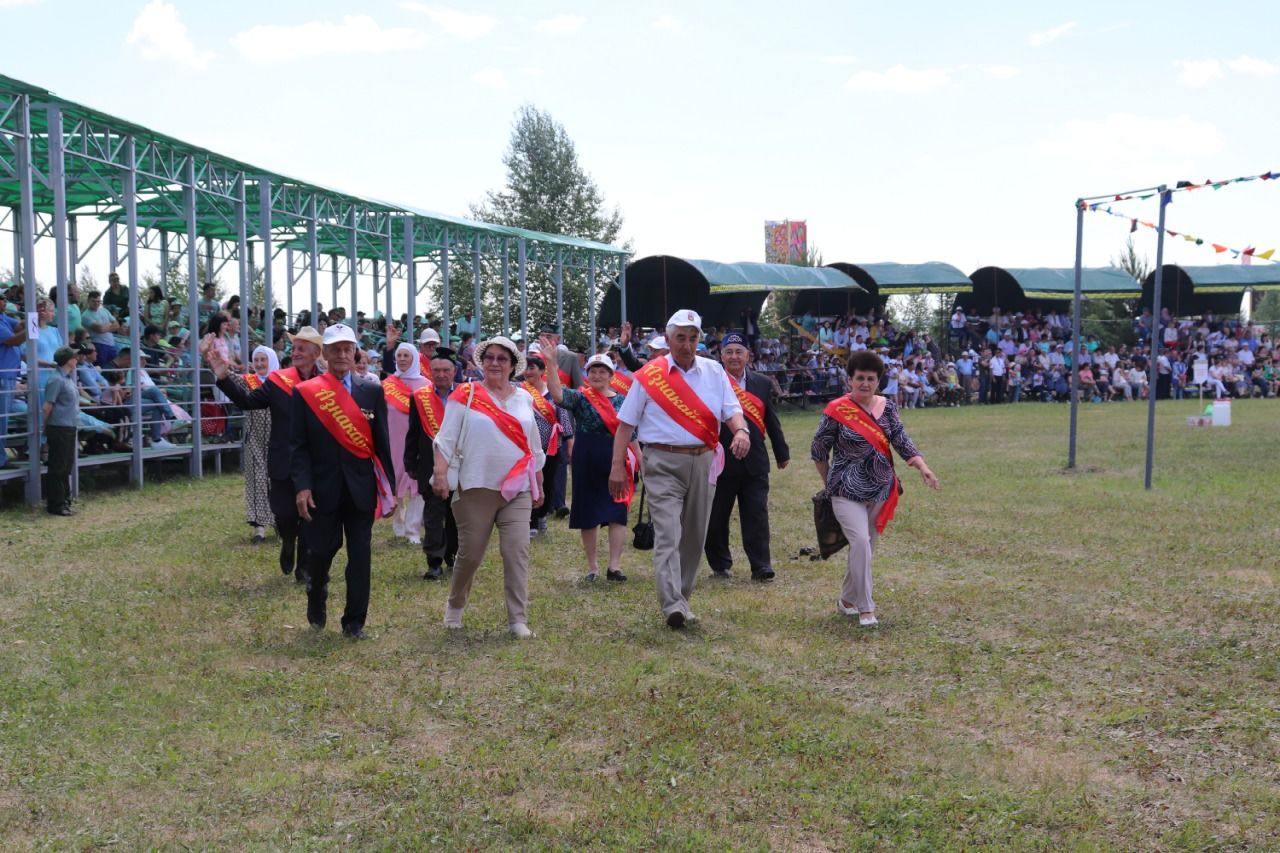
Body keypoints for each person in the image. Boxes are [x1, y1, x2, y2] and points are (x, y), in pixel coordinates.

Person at [611, 310, 751, 629]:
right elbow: (625, 426)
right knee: (668, 533)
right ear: (669, 339)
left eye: (693, 338)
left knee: (694, 535)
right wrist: (617, 465)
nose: (686, 345)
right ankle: (672, 603)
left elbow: (732, 411)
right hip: (661, 462)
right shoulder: (650, 376)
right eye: (680, 338)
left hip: (703, 461)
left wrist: (741, 431)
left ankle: (682, 598)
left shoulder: (714, 372)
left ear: (699, 340)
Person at [811, 350, 939, 627]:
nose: (865, 384)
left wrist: (923, 467)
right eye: (860, 378)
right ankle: (865, 608)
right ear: (850, 380)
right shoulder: (836, 410)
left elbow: (901, 441)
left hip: (881, 489)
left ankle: (846, 600)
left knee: (866, 548)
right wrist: (828, 483)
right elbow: (819, 450)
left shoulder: (888, 408)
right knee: (860, 542)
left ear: (878, 381)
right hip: (845, 491)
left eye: (871, 379)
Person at [431, 336, 545, 638]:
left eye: (502, 359)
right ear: (482, 362)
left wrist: (539, 482)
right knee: (471, 555)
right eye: (490, 357)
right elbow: (445, 439)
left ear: (512, 365)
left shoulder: (524, 398)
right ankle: (455, 606)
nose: (495, 363)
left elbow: (533, 445)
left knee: (516, 551)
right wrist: (440, 474)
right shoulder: (465, 394)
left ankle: (517, 620)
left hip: (517, 488)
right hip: (475, 487)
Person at [291, 323, 395, 640]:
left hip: (361, 488)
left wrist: (390, 489)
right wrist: (303, 486)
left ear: (355, 353)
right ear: (324, 354)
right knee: (321, 552)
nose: (341, 354)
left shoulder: (372, 391)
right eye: (334, 349)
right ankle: (316, 596)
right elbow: (298, 446)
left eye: (346, 349)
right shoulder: (306, 393)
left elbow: (382, 443)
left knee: (360, 557)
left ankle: (354, 623)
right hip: (322, 489)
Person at [210, 326, 324, 580]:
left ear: (316, 353)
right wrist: (224, 377)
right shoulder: (279, 380)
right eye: (293, 348)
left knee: (311, 514)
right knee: (284, 513)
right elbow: (248, 402)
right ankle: (287, 540)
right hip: (283, 459)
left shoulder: (326, 382)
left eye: (301, 349)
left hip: (316, 461)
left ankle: (304, 566)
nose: (295, 353)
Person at [541, 341, 641, 583]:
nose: (597, 375)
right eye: (593, 371)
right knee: (588, 511)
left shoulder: (623, 400)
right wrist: (551, 365)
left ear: (611, 375)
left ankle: (614, 566)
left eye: (602, 371)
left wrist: (640, 461)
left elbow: (631, 434)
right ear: (587, 374)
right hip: (586, 455)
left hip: (615, 456)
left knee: (617, 510)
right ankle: (593, 567)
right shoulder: (580, 397)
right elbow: (557, 394)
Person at [705, 331, 790, 581]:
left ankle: (761, 565)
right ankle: (720, 564)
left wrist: (781, 451)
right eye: (728, 352)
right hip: (720, 461)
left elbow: (771, 421)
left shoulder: (762, 383)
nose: (734, 357)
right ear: (721, 356)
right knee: (717, 516)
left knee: (756, 514)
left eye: (738, 352)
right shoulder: (711, 382)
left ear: (748, 356)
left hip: (755, 460)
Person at [405, 348, 460, 580]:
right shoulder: (420, 397)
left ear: (454, 371)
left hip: (461, 463)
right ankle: (434, 561)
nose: (441, 375)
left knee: (457, 514)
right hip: (430, 463)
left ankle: (453, 554)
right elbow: (413, 432)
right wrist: (410, 461)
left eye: (445, 370)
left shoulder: (466, 395)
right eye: (436, 370)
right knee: (433, 514)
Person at [522, 353, 574, 539]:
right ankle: (531, 521)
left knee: (548, 482)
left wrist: (569, 444)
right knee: (530, 483)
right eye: (526, 368)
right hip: (526, 447)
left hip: (551, 446)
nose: (528, 372)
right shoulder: (521, 391)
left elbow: (564, 420)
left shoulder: (552, 391)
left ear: (542, 371)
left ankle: (543, 514)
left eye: (532, 368)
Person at [383, 342, 431, 544]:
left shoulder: (426, 385)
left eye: (406, 356)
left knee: (417, 486)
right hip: (392, 441)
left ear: (414, 359)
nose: (402, 359)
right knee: (395, 483)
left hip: (416, 442)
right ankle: (399, 524)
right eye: (399, 355)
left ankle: (413, 530)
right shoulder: (387, 384)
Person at [242, 346, 279, 543]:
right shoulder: (247, 382)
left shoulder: (281, 382)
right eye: (256, 360)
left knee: (277, 481)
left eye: (263, 360)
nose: (259, 364)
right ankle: (259, 528)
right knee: (256, 480)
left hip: (277, 438)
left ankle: (281, 523)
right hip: (254, 439)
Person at [42, 347, 81, 516]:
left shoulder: (66, 378)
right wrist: (45, 427)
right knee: (58, 467)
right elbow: (47, 406)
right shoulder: (57, 380)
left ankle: (64, 500)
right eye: (74, 357)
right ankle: (56, 504)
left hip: (68, 426)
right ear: (68, 360)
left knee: (65, 466)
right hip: (59, 427)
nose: (77, 359)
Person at [0, 292, 28, 454]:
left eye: (4, 298)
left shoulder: (4, 318)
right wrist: (33, 326)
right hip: (3, 375)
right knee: (1, 419)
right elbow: (13, 340)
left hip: (9, 376)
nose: (4, 301)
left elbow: (19, 325)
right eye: (1, 299)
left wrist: (34, 317)